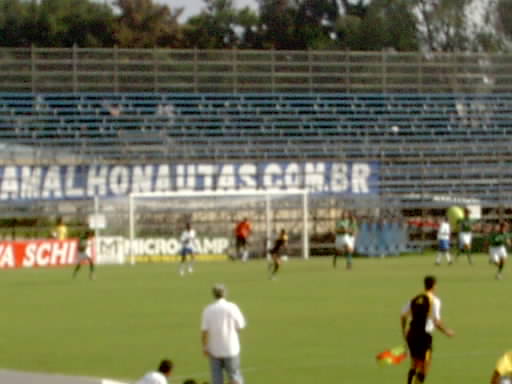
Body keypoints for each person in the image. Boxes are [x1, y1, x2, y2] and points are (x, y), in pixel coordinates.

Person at [400, 275, 455, 384]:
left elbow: (403, 316)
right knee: (425, 365)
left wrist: (404, 332)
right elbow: (436, 321)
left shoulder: (415, 298)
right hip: (424, 336)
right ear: (434, 286)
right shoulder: (434, 300)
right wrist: (447, 331)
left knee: (414, 363)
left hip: (412, 334)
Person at [201, 284, 246, 384]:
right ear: (225, 293)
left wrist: (205, 347)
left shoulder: (208, 309)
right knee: (234, 377)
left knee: (217, 379)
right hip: (231, 348)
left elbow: (204, 331)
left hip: (214, 350)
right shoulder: (232, 307)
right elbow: (240, 326)